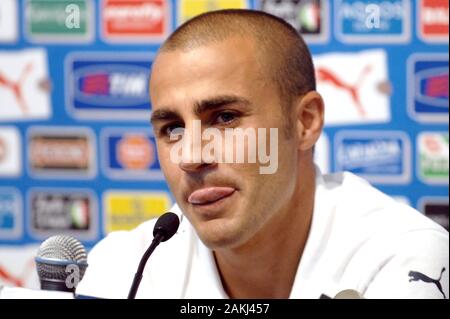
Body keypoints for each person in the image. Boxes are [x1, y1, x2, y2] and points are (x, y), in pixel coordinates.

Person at [76, 9, 449, 299]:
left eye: (224, 118)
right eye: (172, 128)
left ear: (304, 122)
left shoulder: (402, 256)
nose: (190, 156)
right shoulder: (126, 268)